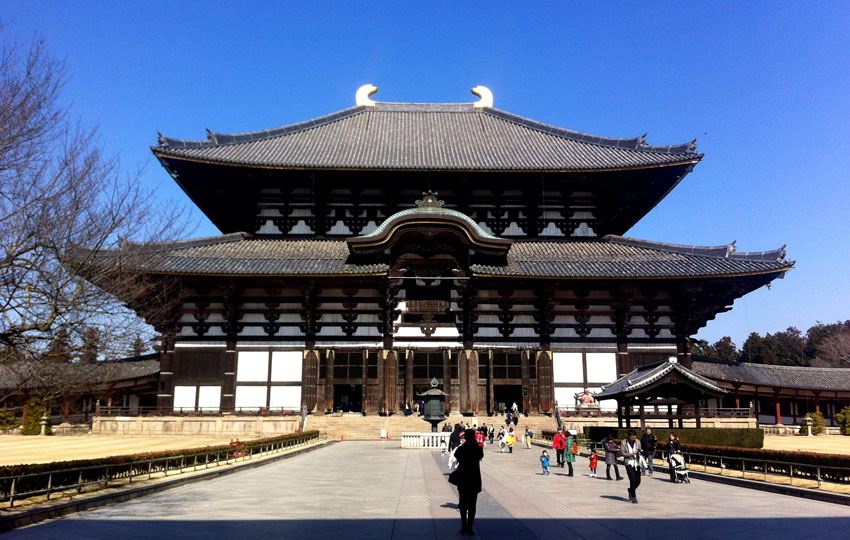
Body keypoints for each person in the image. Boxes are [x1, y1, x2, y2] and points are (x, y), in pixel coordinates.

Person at [454, 428, 484, 536]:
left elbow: (456, 455)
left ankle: (463, 526)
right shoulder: (478, 448)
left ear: (465, 437)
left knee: (463, 503)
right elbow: (481, 456)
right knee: (472, 504)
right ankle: (470, 527)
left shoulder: (461, 448)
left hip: (463, 478)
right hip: (474, 478)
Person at [620, 429, 643, 503]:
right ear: (628, 436)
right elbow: (622, 453)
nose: (633, 438)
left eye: (634, 436)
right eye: (632, 436)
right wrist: (631, 454)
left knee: (638, 481)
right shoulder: (624, 442)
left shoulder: (638, 441)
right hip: (628, 463)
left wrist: (639, 452)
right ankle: (633, 497)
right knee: (632, 480)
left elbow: (640, 449)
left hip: (636, 462)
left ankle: (631, 490)